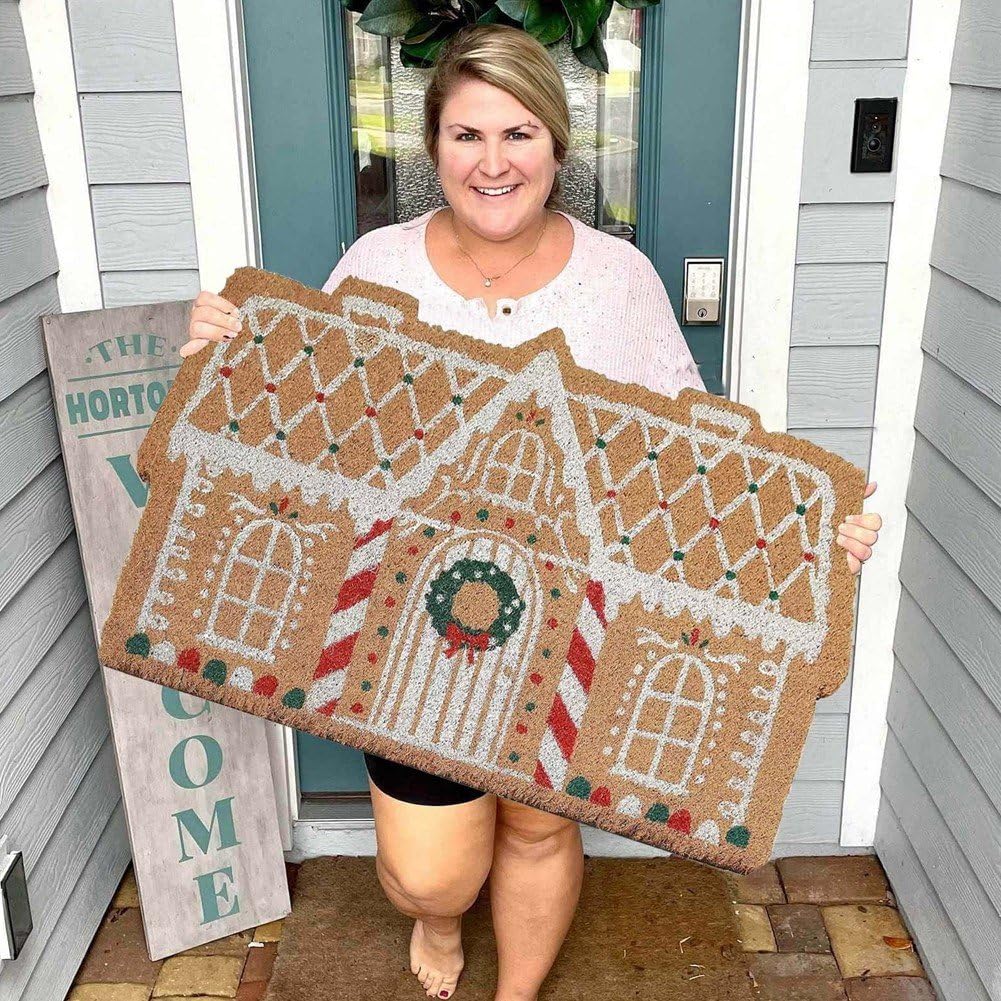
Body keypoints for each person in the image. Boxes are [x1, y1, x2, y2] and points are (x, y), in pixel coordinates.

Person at [179, 23, 882, 1001]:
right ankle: (436, 916)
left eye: (517, 133)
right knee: (433, 869)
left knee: (542, 822)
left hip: (567, 618)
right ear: (433, 149)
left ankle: (514, 992)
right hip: (411, 625)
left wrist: (813, 539)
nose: (493, 160)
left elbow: (696, 460)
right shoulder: (379, 263)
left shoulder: (617, 280)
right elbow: (304, 420)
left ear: (556, 146)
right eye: (467, 135)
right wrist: (225, 352)